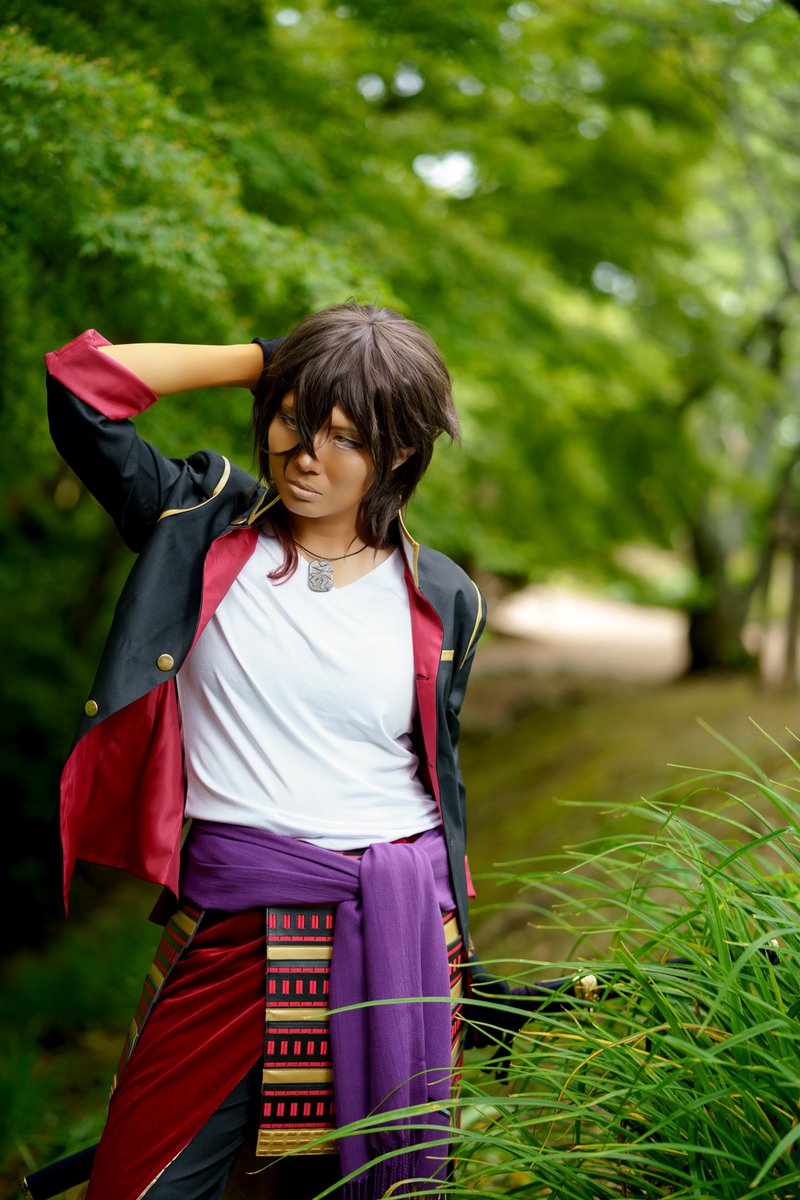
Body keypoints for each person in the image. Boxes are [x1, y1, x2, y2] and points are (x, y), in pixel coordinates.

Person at [43, 303, 487, 1200]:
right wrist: (269, 359)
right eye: (292, 420)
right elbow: (81, 387)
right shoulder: (200, 524)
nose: (305, 455)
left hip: (399, 931)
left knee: (352, 1186)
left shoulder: (446, 597)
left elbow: (437, 778)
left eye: (345, 437)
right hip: (232, 923)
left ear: (400, 452)